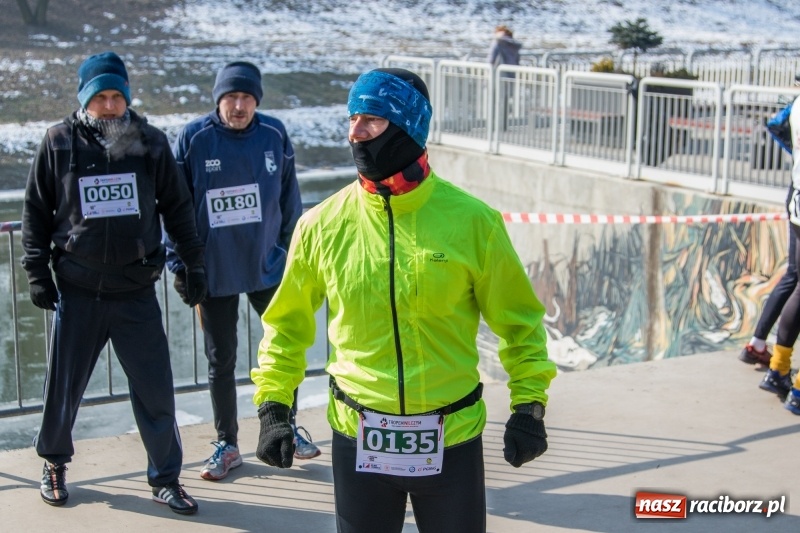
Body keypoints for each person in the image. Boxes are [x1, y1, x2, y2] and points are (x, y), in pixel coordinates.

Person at [250, 68, 556, 532]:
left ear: (409, 127)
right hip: (358, 438)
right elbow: (286, 325)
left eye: (371, 120)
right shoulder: (321, 225)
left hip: (450, 439)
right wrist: (274, 405)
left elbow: (520, 323)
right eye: (352, 119)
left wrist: (528, 406)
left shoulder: (474, 222)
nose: (356, 133)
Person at [21, 51, 206, 514]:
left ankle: (166, 479)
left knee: (156, 392)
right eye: (99, 98)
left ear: (127, 99)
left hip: (135, 292)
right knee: (63, 390)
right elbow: (35, 212)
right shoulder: (58, 141)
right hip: (78, 291)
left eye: (116, 97)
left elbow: (179, 211)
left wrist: (192, 265)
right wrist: (37, 271)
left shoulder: (151, 143)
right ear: (85, 100)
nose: (108, 106)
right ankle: (54, 464)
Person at [165, 60, 319, 482]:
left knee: (285, 350)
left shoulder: (274, 134)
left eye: (246, 98)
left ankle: (285, 427)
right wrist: (180, 264)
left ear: (257, 101)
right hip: (214, 272)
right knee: (221, 360)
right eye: (231, 97)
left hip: (267, 268)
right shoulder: (195, 138)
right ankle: (227, 442)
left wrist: (289, 252)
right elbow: (174, 206)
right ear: (218, 100)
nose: (238, 105)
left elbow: (291, 201)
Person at [760, 91, 800, 414]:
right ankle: (797, 388)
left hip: (798, 201)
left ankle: (778, 369)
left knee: (797, 285)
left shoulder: (797, 104)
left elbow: (775, 126)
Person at [487, 25, 522, 132]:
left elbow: (491, 59)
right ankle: (504, 125)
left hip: (497, 76)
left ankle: (493, 126)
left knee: (494, 101)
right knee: (506, 101)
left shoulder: (497, 43)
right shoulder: (514, 45)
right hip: (510, 76)